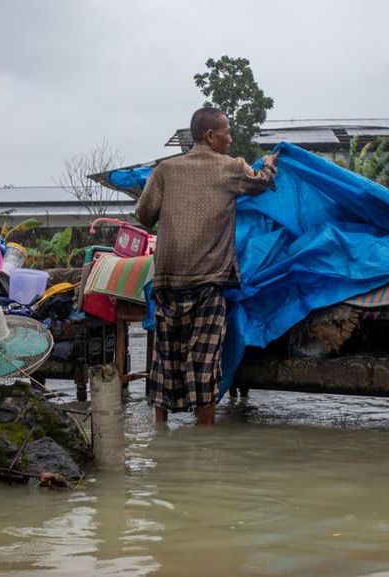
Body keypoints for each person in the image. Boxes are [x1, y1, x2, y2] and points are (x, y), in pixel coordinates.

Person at [135, 107, 279, 425]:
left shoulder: (164, 169)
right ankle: (204, 440)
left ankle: (161, 434)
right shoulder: (230, 167)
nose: (231, 139)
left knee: (166, 359)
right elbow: (260, 184)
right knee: (204, 362)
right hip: (207, 281)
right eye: (227, 132)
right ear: (211, 135)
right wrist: (270, 164)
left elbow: (144, 215)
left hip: (167, 281)